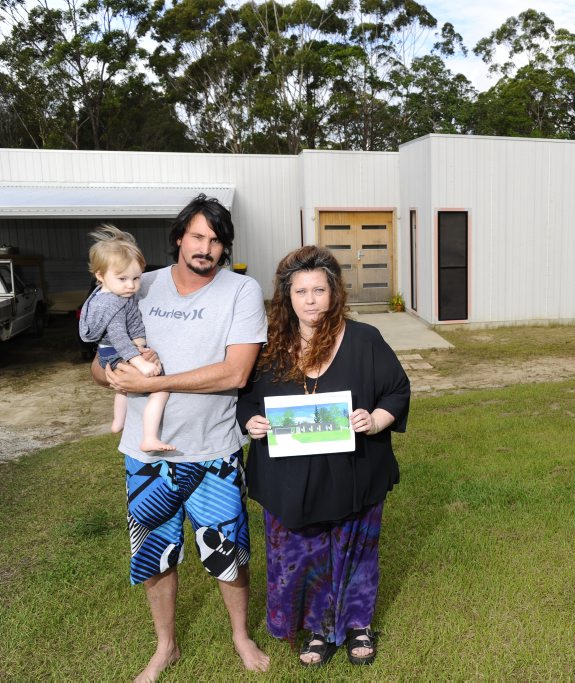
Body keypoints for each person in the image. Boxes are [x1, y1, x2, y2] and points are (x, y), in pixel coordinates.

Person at [92, 194, 271, 682]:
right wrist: (111, 372)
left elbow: (236, 372)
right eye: (197, 236)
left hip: (213, 448)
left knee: (226, 554)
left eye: (215, 240)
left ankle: (240, 635)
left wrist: (149, 384)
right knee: (154, 553)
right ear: (178, 238)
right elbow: (100, 357)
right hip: (144, 453)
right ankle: (165, 646)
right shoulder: (138, 284)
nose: (206, 248)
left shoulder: (241, 291)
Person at [237, 245, 410, 668]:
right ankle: (316, 629)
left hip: (355, 471)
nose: (311, 299)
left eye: (319, 289)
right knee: (304, 553)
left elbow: (398, 390)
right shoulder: (269, 346)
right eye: (301, 291)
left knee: (355, 551)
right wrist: (252, 423)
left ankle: (357, 626)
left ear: (334, 293)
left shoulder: (364, 339)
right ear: (287, 296)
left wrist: (375, 420)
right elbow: (246, 401)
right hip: (290, 477)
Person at [79, 225, 173, 452]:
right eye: (122, 278)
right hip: (115, 352)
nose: (131, 285)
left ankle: (118, 422)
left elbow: (133, 325)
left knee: (123, 388)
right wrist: (139, 361)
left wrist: (139, 343)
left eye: (136, 278)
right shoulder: (111, 303)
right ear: (100, 276)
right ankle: (149, 437)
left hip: (114, 351)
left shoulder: (116, 293)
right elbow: (120, 337)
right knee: (161, 389)